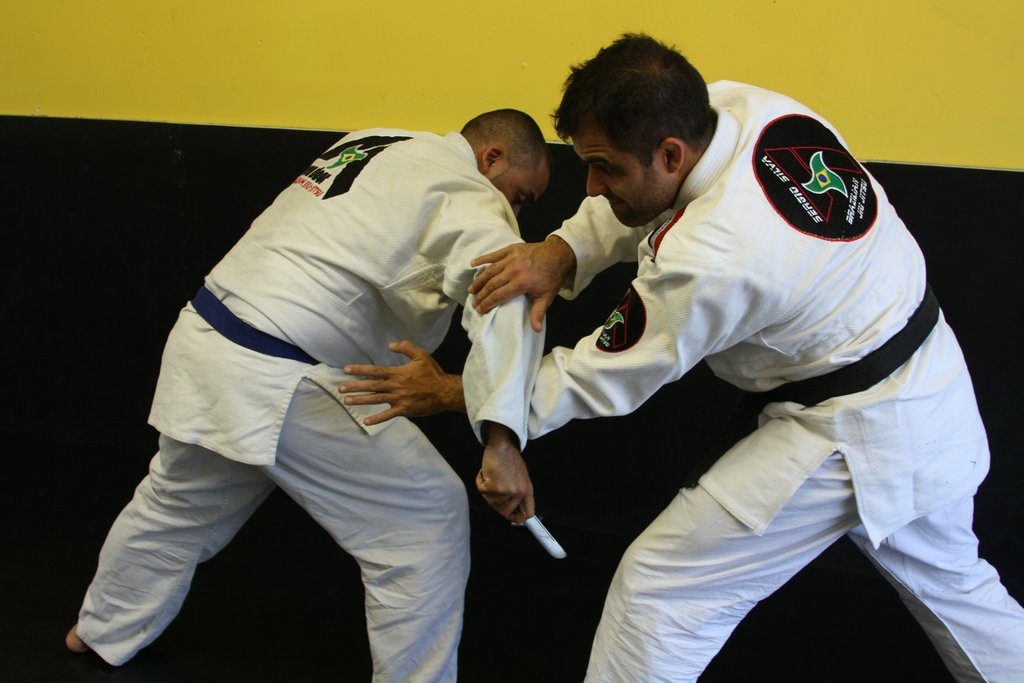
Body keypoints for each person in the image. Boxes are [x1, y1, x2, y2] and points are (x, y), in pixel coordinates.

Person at [338, 35, 1024, 681]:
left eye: (604, 166)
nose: (591, 186)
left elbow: (604, 376)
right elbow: (636, 198)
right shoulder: (741, 108)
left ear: (670, 152)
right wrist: (561, 250)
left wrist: (464, 395)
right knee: (959, 590)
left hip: (854, 425)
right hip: (925, 381)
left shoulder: (714, 255)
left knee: (659, 593)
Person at [64, 109, 550, 682]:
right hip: (278, 370)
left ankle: (101, 629)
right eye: (520, 197)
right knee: (426, 517)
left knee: (179, 502)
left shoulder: (375, 139)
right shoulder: (467, 189)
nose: (515, 214)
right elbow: (507, 293)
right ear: (491, 157)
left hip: (208, 336)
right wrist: (501, 440)